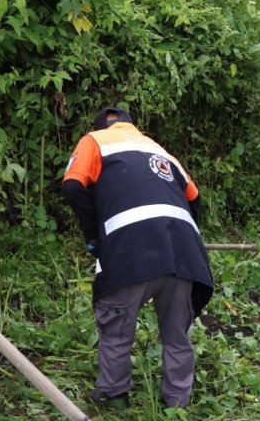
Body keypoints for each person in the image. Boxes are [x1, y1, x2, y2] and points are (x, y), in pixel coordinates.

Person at [62, 107, 214, 410]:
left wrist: (95, 234)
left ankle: (115, 395)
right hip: (183, 253)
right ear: (132, 126)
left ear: (101, 126)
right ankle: (176, 404)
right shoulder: (160, 150)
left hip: (130, 250)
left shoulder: (94, 140)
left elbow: (72, 185)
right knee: (176, 334)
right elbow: (194, 198)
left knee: (116, 323)